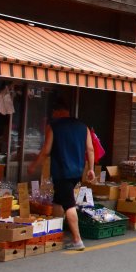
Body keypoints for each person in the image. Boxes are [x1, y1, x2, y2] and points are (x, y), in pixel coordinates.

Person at [28, 97, 95, 250]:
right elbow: (90, 149)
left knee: (69, 204)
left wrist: (34, 165)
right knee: (58, 202)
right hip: (77, 172)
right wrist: (91, 168)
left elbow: (46, 150)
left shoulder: (54, 126)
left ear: (57, 112)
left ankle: (77, 240)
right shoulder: (83, 126)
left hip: (62, 172)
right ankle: (57, 234)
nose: (52, 115)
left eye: (53, 112)